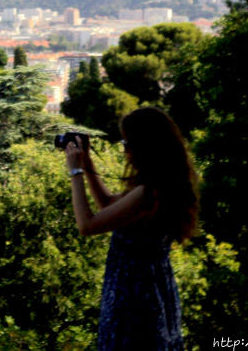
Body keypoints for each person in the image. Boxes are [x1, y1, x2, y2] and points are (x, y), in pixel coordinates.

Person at [64, 106, 199, 350]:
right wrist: (88, 164)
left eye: (126, 143)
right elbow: (106, 204)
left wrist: (75, 172)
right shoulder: (161, 186)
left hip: (134, 295)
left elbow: (87, 225)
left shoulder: (147, 193)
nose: (124, 150)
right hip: (151, 288)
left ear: (144, 146)